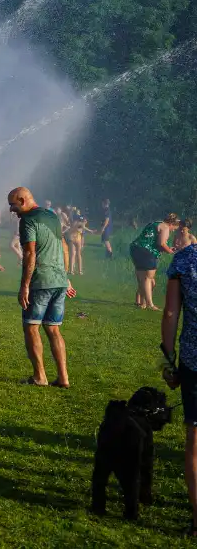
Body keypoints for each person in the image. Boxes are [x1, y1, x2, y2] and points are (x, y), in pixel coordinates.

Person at [8, 187, 74, 388]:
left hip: (41, 282)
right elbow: (63, 246)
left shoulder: (28, 220)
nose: (12, 210)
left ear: (22, 200)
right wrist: (66, 277)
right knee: (53, 329)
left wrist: (25, 286)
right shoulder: (52, 216)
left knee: (32, 327)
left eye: (13, 205)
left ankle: (40, 377)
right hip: (59, 281)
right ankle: (63, 378)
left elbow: (29, 254)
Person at [160, 241, 197, 538]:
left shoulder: (185, 260)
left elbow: (171, 314)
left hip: (193, 360)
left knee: (195, 441)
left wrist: (168, 359)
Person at [129, 214, 180, 310]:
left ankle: (142, 303)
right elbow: (161, 243)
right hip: (147, 251)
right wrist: (171, 252)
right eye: (174, 228)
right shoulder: (165, 227)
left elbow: (152, 239)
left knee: (142, 279)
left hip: (135, 248)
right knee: (149, 278)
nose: (173, 230)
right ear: (171, 224)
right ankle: (150, 304)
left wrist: (168, 248)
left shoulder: (155, 223)